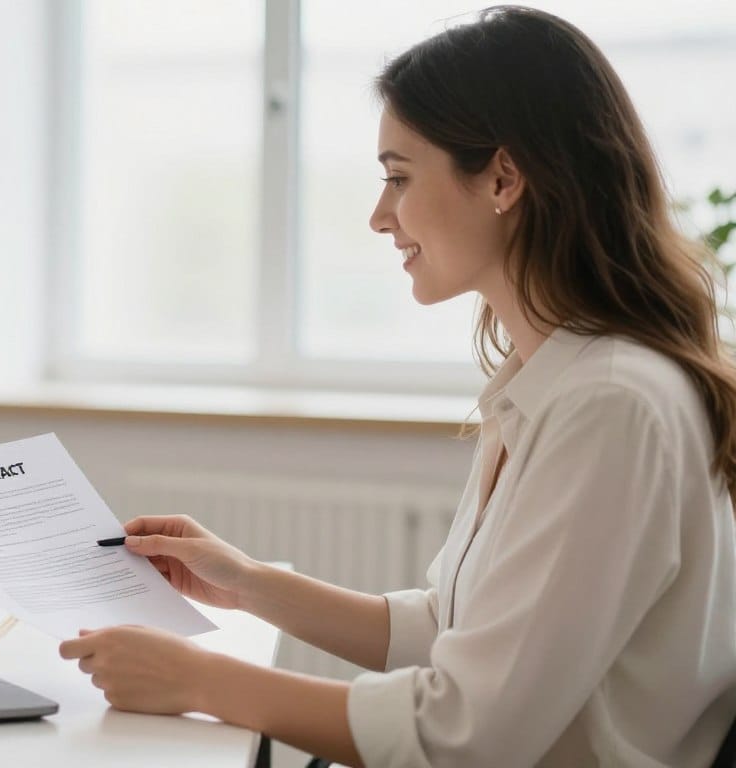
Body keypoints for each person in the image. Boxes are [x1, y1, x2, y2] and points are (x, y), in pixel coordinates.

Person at [59, 7, 736, 766]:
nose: (381, 216)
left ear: (504, 179)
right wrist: (247, 583)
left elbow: (466, 734)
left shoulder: (612, 405)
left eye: (399, 178)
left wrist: (199, 680)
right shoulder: (551, 382)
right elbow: (452, 631)